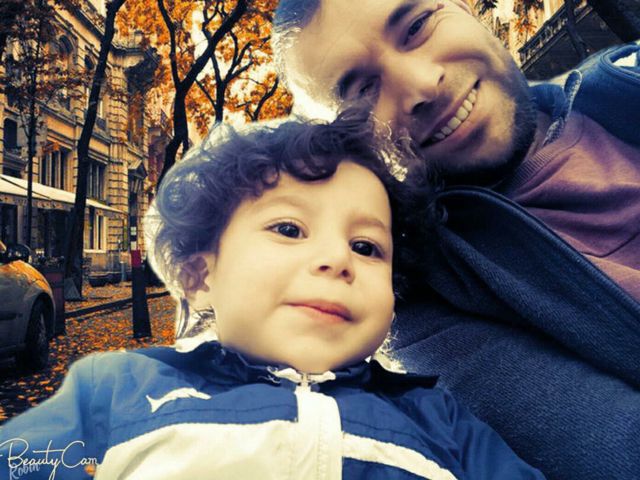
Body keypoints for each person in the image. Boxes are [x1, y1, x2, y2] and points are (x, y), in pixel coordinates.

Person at [0, 116, 545, 479]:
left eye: (366, 246)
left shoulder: (441, 421)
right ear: (200, 275)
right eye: (289, 229)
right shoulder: (117, 390)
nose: (337, 259)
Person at [272, 1, 640, 479]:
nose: (423, 85)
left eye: (418, 26)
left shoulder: (623, 80)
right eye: (363, 90)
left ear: (467, 8)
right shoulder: (429, 300)